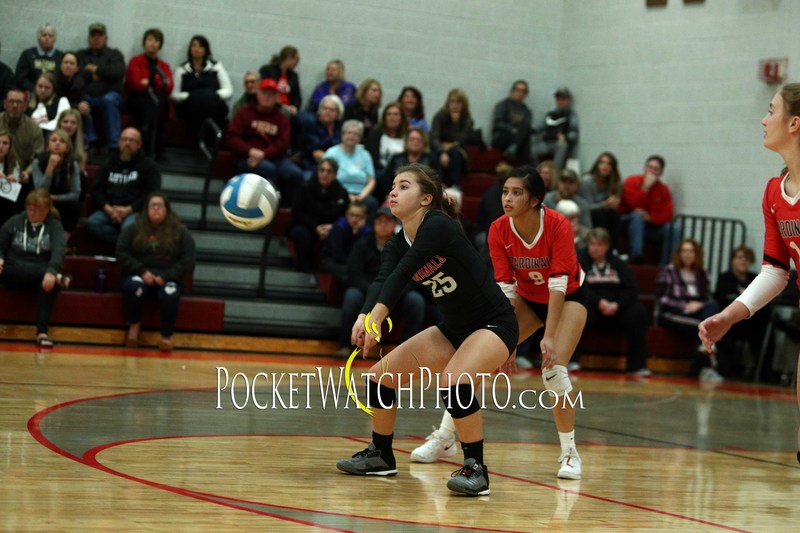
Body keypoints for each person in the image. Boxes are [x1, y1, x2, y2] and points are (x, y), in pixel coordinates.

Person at [335, 163, 518, 498]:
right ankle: (381, 453)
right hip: (455, 328)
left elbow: (405, 272)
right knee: (380, 377)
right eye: (392, 186)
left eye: (404, 186)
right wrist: (364, 314)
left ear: (425, 199)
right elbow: (384, 278)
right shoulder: (396, 241)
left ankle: (476, 468)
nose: (393, 191)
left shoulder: (438, 225)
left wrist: (377, 316)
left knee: (453, 380)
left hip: (494, 323)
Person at [412, 166, 587, 480]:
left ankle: (569, 452)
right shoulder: (498, 229)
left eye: (516, 192)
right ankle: (445, 437)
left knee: (554, 369)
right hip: (527, 298)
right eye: (506, 191)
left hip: (568, 298)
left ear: (534, 200)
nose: (507, 198)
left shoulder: (557, 224)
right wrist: (503, 338)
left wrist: (548, 336)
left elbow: (559, 282)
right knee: (478, 358)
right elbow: (506, 287)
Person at [700, 84, 800, 464]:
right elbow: (776, 271)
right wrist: (730, 315)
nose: (763, 118)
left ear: (794, 122)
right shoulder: (775, 191)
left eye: (770, 110)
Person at [336, 206, 426, 355]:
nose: (382, 225)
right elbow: (354, 274)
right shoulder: (362, 243)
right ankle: (346, 345)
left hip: (396, 295)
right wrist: (374, 293)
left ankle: (404, 351)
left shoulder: (404, 245)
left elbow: (411, 277)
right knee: (351, 296)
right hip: (367, 292)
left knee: (416, 301)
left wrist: (391, 294)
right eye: (379, 221)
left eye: (386, 221)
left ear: (394, 224)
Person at [116, 192, 196, 352]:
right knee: (135, 287)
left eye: (160, 205)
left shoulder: (180, 232)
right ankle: (134, 327)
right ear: (146, 209)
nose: (156, 209)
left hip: (167, 278)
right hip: (138, 275)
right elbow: (121, 252)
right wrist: (142, 271)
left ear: (167, 209)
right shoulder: (134, 229)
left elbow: (189, 260)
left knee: (170, 293)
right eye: (153, 205)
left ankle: (166, 337)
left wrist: (166, 276)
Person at [572, 228, 651, 376]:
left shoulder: (619, 264)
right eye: (593, 244)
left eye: (599, 245)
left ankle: (637, 365)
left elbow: (631, 290)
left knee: (638, 312)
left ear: (607, 246)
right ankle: (572, 360)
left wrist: (617, 304)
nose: (595, 248)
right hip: (593, 307)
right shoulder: (580, 262)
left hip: (617, 308)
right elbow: (578, 287)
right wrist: (599, 301)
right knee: (577, 310)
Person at [0, 188, 70, 348]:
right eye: (29, 208)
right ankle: (57, 277)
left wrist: (52, 271)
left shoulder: (54, 226)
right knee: (10, 267)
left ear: (47, 210)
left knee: (47, 284)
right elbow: (0, 242)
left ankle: (42, 332)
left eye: (37, 210)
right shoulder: (15, 221)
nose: (32, 213)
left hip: (40, 273)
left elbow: (59, 251)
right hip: (15, 271)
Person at [227, 78, 303, 207]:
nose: (267, 97)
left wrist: (263, 154)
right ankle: (266, 207)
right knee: (267, 169)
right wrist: (250, 151)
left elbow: (282, 143)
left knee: (296, 174)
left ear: (276, 97)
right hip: (247, 157)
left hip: (274, 158)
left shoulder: (282, 118)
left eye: (271, 94)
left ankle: (284, 210)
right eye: (264, 93)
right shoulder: (244, 113)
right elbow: (232, 137)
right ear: (258, 94)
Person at [657, 238, 722, 382]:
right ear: (679, 254)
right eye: (684, 251)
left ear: (696, 254)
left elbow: (708, 298)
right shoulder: (669, 271)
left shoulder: (702, 274)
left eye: (691, 251)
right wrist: (684, 306)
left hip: (697, 312)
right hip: (673, 313)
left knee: (713, 308)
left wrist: (698, 305)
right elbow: (662, 299)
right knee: (705, 328)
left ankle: (701, 366)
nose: (688, 254)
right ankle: (707, 368)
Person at [86, 128, 161, 245]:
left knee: (128, 228)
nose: (127, 143)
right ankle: (125, 244)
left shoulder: (149, 166)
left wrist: (129, 209)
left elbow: (152, 195)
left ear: (139, 144)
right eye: (124, 139)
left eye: (132, 140)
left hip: (136, 211)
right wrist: (109, 209)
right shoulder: (107, 163)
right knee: (93, 223)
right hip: (110, 210)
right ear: (119, 142)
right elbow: (96, 191)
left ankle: (124, 245)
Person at [712, 246, 771, 378]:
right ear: (733, 260)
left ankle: (764, 373)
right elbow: (721, 298)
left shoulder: (755, 278)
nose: (743, 261)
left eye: (747, 258)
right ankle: (724, 370)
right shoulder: (725, 278)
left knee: (765, 331)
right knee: (724, 330)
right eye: (739, 257)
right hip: (733, 322)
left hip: (753, 322)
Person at [287, 158, 348, 275]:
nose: (324, 174)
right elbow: (297, 213)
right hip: (308, 226)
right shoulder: (305, 188)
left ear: (335, 175)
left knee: (339, 232)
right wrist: (315, 226)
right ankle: (304, 270)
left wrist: (332, 227)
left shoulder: (341, 192)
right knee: (299, 232)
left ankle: (328, 272)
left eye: (329, 171)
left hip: (330, 227)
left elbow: (344, 215)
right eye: (322, 170)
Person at [171, 35, 233, 142]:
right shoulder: (181, 69)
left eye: (200, 46)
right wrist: (190, 96)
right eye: (194, 46)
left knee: (212, 106)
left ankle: (209, 142)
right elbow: (174, 94)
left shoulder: (216, 66)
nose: (197, 49)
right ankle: (198, 142)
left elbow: (228, 90)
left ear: (206, 50)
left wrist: (213, 95)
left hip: (212, 101)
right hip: (190, 104)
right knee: (196, 106)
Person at [618, 155, 677, 264]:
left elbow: (668, 214)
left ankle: (666, 265)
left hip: (650, 225)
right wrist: (645, 188)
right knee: (637, 215)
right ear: (645, 168)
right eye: (650, 167)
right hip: (628, 222)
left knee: (674, 227)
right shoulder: (632, 181)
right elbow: (633, 205)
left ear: (660, 173)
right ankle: (636, 255)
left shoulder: (663, 190)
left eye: (655, 169)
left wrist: (651, 218)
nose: (651, 171)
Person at [76, 23, 125, 153]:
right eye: (93, 35)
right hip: (87, 95)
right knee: (81, 102)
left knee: (109, 101)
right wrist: (102, 75)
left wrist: (96, 69)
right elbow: (77, 73)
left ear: (106, 38)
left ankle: (114, 146)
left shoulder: (115, 54)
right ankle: (91, 141)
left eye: (100, 35)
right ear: (88, 39)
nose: (96, 38)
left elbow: (117, 72)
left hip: (110, 94)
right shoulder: (81, 55)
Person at [125, 29, 174, 159]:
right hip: (137, 99)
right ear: (144, 43)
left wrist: (149, 81)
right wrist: (156, 82)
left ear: (160, 45)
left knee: (159, 104)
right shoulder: (135, 61)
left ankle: (150, 145)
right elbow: (134, 83)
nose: (152, 43)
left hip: (157, 100)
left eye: (156, 41)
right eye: (149, 40)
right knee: (154, 106)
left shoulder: (164, 66)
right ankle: (155, 148)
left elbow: (168, 86)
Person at [31, 129, 81, 236]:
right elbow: (40, 191)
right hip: (43, 201)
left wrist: (55, 198)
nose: (57, 143)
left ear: (67, 148)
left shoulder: (73, 165)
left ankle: (64, 239)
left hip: (63, 202)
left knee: (76, 205)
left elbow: (76, 194)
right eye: (54, 140)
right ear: (48, 146)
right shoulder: (38, 162)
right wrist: (50, 167)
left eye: (62, 141)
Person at [323, 120, 378, 217]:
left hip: (361, 194)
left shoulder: (365, 154)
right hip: (337, 192)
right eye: (349, 133)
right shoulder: (332, 153)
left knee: (372, 203)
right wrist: (346, 196)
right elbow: (327, 178)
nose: (352, 136)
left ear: (360, 138)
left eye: (356, 134)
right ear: (342, 135)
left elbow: (371, 181)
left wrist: (362, 196)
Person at [380, 127, 439, 202]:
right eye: (412, 139)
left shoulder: (431, 159)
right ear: (406, 142)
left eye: (418, 140)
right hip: (397, 196)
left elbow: (436, 181)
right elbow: (386, 180)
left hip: (422, 198)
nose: (415, 142)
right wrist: (388, 194)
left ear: (424, 142)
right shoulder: (396, 158)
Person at [430, 88, 473, 189]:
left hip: (458, 152)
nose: (455, 105)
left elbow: (460, 140)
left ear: (463, 105)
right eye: (452, 101)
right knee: (434, 155)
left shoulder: (467, 120)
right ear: (448, 103)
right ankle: (438, 185)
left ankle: (455, 186)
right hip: (438, 149)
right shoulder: (439, 116)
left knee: (454, 153)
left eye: (458, 102)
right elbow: (434, 137)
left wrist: (455, 123)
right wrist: (442, 151)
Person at [319, 200, 371, 283]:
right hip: (332, 261)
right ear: (346, 214)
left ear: (365, 217)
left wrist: (357, 233)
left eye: (358, 216)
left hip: (354, 264)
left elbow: (365, 255)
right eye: (351, 215)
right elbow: (338, 255)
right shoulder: (339, 228)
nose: (354, 219)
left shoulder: (367, 232)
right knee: (349, 273)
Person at [580, 151, 621, 248]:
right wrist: (604, 204)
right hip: (586, 214)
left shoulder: (613, 182)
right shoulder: (588, 181)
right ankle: (601, 248)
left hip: (604, 213)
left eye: (609, 164)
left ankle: (612, 250)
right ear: (596, 165)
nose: (605, 166)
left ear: (613, 168)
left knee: (615, 215)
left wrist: (615, 203)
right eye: (602, 163)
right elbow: (586, 207)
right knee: (602, 214)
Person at [0, 88, 44, 179]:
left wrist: (27, 172)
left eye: (19, 102)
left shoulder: (34, 129)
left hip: (22, 177)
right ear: (5, 104)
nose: (15, 105)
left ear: (25, 106)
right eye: (11, 101)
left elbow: (38, 157)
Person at [532, 87, 579, 170]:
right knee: (531, 150)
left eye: (563, 99)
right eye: (558, 99)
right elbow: (540, 126)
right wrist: (529, 130)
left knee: (562, 146)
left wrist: (565, 137)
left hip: (559, 143)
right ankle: (537, 172)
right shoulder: (551, 114)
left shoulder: (570, 115)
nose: (560, 101)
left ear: (568, 100)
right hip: (547, 142)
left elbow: (574, 133)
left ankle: (555, 172)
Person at [298, 94, 343, 178]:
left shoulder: (340, 128)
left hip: (337, 166)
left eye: (332, 110)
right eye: (325, 108)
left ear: (338, 114)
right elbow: (317, 154)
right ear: (319, 111)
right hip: (313, 165)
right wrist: (339, 162)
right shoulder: (311, 126)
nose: (327, 112)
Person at [55, 52, 95, 145]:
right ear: (61, 65)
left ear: (76, 68)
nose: (68, 65)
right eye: (65, 62)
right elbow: (57, 100)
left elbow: (81, 98)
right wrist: (77, 105)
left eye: (71, 63)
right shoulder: (54, 79)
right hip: (57, 108)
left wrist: (82, 106)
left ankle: (89, 143)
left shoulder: (79, 81)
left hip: (74, 109)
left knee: (86, 114)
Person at [363, 102, 407, 182]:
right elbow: (371, 160)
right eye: (388, 114)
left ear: (402, 118)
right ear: (384, 118)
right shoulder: (375, 134)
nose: (392, 117)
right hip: (380, 176)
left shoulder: (407, 136)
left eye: (396, 114)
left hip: (403, 175)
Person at [491, 80, 533, 163]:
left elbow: (527, 127)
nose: (520, 93)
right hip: (502, 136)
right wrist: (511, 129)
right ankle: (527, 168)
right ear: (512, 90)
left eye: (523, 91)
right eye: (517, 90)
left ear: (525, 94)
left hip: (517, 138)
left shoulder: (527, 111)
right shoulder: (503, 105)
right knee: (524, 140)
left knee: (526, 133)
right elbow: (498, 123)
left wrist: (518, 133)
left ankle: (514, 147)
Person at [15, 23, 64, 93]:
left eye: (50, 36)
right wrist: (37, 89)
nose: (47, 38)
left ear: (54, 39)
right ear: (39, 38)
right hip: (30, 93)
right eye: (44, 35)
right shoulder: (27, 54)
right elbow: (20, 78)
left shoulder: (61, 56)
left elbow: (63, 79)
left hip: (54, 95)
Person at [258, 46, 302, 116]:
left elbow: (297, 96)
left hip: (288, 108)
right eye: (296, 60)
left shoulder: (294, 76)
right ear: (289, 58)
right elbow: (260, 89)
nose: (297, 63)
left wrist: (294, 106)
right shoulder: (267, 70)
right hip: (273, 105)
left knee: (307, 120)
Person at [0, 129, 26, 227]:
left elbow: (17, 183)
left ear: (10, 147)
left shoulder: (13, 162)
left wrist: (14, 179)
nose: (1, 147)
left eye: (5, 143)